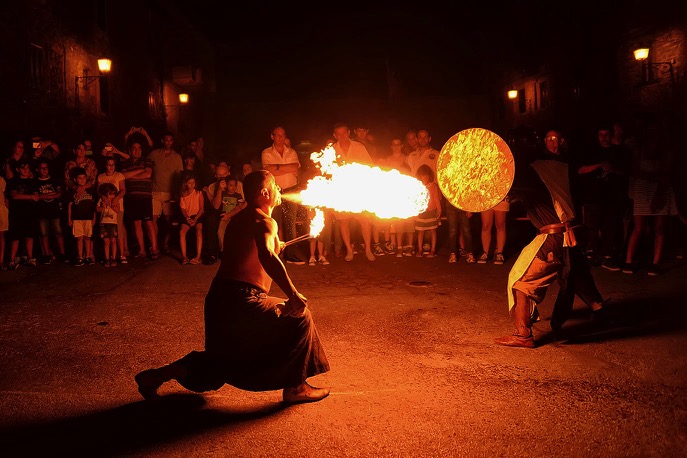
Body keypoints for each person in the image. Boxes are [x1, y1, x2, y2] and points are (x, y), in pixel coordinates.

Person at [134, 170, 330, 403]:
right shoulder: (265, 221)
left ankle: (156, 376)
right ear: (265, 192)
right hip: (242, 302)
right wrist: (293, 294)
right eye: (275, 186)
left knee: (218, 361)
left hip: (219, 300)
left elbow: (253, 252)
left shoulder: (243, 219)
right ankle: (296, 388)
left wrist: (273, 246)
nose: (279, 190)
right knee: (300, 316)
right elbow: (267, 255)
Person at [495, 148, 608, 348]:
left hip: (553, 236)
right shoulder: (558, 171)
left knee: (521, 281)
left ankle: (523, 334)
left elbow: (508, 187)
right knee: (573, 273)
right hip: (571, 233)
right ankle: (599, 310)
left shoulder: (533, 174)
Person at [622, 114, 678, 276]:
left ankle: (655, 263)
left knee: (659, 227)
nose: (652, 133)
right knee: (639, 227)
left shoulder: (666, 150)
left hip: (661, 189)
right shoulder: (639, 148)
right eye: (649, 130)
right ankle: (628, 260)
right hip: (642, 190)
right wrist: (654, 176)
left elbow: (667, 173)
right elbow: (636, 171)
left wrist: (659, 190)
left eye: (655, 130)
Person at [576, 123, 631, 271]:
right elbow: (581, 170)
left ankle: (607, 257)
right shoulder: (591, 151)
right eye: (601, 135)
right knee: (591, 228)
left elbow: (626, 172)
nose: (604, 138)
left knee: (610, 227)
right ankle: (592, 255)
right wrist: (598, 165)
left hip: (611, 197)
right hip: (593, 197)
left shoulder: (618, 152)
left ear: (611, 135)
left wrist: (612, 169)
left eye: (606, 135)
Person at [331, 122, 376, 262]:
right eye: (339, 134)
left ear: (349, 133)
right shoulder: (331, 150)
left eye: (344, 133)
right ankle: (349, 251)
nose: (342, 136)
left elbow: (370, 166)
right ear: (335, 136)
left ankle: (368, 250)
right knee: (344, 221)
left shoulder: (359, 147)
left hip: (359, 190)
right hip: (341, 191)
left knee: (364, 220)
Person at [261, 126, 305, 265]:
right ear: (272, 136)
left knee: (290, 223)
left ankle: (290, 255)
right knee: (274, 222)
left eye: (283, 135)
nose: (280, 137)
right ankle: (273, 253)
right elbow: (268, 170)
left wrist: (278, 167)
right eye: (277, 135)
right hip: (275, 191)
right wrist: (285, 167)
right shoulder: (266, 152)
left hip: (291, 190)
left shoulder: (291, 151)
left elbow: (294, 167)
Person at [120, 142, 158, 259]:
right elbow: (123, 176)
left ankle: (155, 249)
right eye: (134, 148)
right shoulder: (125, 163)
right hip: (132, 197)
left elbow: (147, 174)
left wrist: (131, 175)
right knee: (136, 223)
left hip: (144, 196)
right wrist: (138, 171)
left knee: (148, 222)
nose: (137, 150)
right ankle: (142, 250)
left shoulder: (147, 161)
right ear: (130, 151)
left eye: (139, 148)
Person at [147, 131, 183, 254]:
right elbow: (145, 167)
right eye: (166, 140)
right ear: (162, 141)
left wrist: (178, 193)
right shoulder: (154, 154)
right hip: (155, 192)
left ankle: (165, 243)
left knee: (168, 221)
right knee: (152, 220)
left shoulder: (177, 157)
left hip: (170, 193)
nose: (169, 142)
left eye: (171, 140)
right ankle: (154, 244)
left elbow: (179, 177)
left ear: (173, 142)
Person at [6, 159, 40, 269]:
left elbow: (36, 196)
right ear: (17, 169)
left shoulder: (32, 182)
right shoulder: (13, 181)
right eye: (23, 168)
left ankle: (30, 258)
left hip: (29, 212)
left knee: (29, 236)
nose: (26, 170)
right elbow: (14, 196)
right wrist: (30, 196)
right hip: (17, 213)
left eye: (27, 168)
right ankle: (11, 260)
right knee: (15, 237)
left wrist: (32, 197)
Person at [96, 157, 128, 263]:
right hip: (105, 208)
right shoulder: (101, 177)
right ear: (105, 165)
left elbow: (123, 190)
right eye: (109, 164)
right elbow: (99, 191)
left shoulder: (119, 175)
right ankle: (108, 256)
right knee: (107, 232)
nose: (111, 167)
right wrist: (104, 198)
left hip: (117, 206)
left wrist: (116, 199)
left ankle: (122, 254)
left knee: (118, 230)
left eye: (113, 164)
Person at [35, 159, 66, 263]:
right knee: (44, 234)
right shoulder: (36, 182)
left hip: (54, 211)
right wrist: (51, 195)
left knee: (58, 232)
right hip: (41, 212)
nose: (44, 170)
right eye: (42, 168)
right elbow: (37, 197)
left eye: (46, 168)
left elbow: (59, 194)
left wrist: (44, 195)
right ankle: (47, 255)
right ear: (38, 170)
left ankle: (62, 254)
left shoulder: (54, 180)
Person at [66, 167, 96, 266]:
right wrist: (69, 219)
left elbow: (93, 206)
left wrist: (94, 218)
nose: (82, 180)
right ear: (75, 179)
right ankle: (80, 257)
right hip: (77, 219)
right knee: (79, 238)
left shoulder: (90, 190)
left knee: (87, 237)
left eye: (84, 178)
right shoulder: (72, 192)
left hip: (88, 218)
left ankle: (87, 256)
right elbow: (70, 206)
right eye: (80, 178)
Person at [414, 164, 441, 257]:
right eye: (423, 175)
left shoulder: (433, 186)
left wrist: (439, 209)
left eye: (426, 175)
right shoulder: (417, 186)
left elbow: (436, 198)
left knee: (433, 230)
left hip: (431, 211)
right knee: (420, 231)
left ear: (429, 176)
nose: (425, 177)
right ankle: (420, 250)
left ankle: (432, 250)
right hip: (421, 212)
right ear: (419, 176)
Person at [178, 174, 204, 265]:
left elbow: (201, 209)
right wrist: (188, 218)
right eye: (190, 183)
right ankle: (184, 257)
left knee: (199, 231)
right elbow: (183, 209)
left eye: (193, 182)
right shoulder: (183, 195)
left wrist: (195, 219)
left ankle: (198, 257)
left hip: (197, 216)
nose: (192, 185)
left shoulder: (198, 193)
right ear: (185, 184)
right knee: (182, 232)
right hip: (188, 217)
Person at [95, 182, 120, 267]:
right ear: (105, 194)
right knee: (106, 241)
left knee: (113, 240)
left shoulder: (115, 200)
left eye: (114, 194)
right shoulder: (101, 200)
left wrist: (112, 205)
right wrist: (103, 206)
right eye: (110, 194)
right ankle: (107, 259)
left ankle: (113, 258)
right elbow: (97, 210)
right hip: (103, 223)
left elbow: (117, 210)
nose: (112, 196)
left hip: (113, 223)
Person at [478, 199, 509, 265]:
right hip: (486, 197)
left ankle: (499, 253)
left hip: (501, 197)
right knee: (485, 225)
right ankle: (485, 252)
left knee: (500, 224)